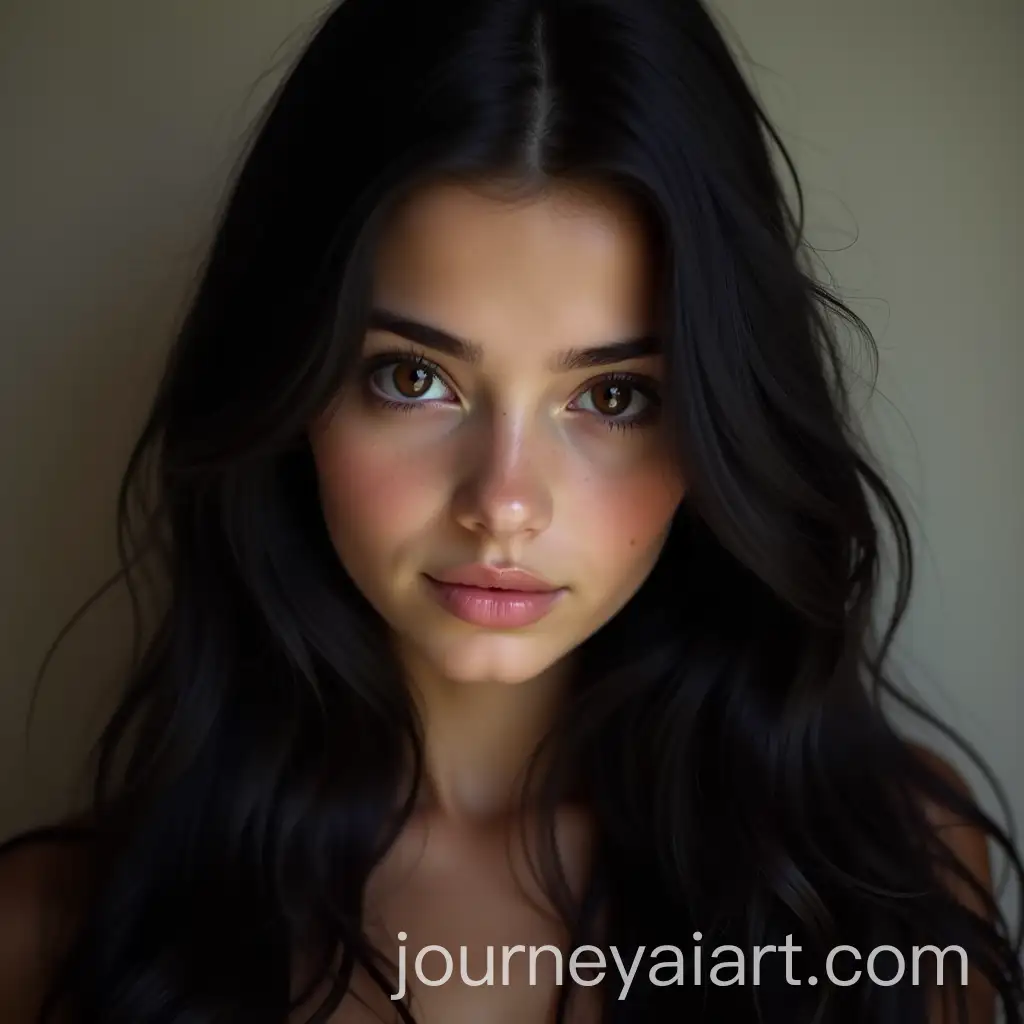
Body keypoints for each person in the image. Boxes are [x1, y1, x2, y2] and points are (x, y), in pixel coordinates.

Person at [0, 0, 1020, 1021]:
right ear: (290, 385)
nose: (504, 504)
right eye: (412, 378)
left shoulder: (891, 876)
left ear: (718, 424)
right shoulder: (54, 933)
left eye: (613, 396)